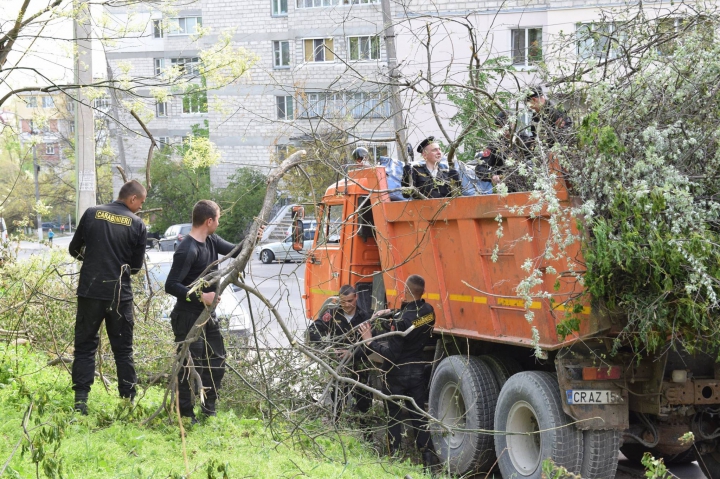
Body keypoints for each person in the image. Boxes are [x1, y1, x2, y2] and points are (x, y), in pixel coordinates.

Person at [165, 200, 259, 421]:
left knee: (217, 361)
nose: (219, 222)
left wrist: (255, 236)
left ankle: (209, 409)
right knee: (190, 366)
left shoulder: (212, 240)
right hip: (188, 318)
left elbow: (238, 251)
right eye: (218, 218)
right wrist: (200, 295)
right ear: (209, 221)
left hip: (209, 317)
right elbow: (171, 285)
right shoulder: (187, 249)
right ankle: (186, 415)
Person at [68, 180, 148, 414]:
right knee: (123, 350)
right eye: (140, 203)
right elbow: (134, 267)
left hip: (90, 292)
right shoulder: (137, 224)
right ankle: (128, 403)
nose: (140, 208)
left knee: (84, 348)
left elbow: (74, 249)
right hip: (119, 296)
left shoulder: (91, 213)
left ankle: (80, 404)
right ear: (132, 199)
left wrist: (94, 260)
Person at [358, 274, 436, 465]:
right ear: (422, 291)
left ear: (406, 291)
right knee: (418, 416)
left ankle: (394, 456)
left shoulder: (401, 321)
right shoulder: (429, 311)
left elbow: (391, 353)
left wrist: (369, 341)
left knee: (393, 416)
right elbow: (413, 321)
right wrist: (390, 313)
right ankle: (427, 458)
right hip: (417, 372)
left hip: (396, 373)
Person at [308, 285, 373, 416]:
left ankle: (366, 434)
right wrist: (327, 349)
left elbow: (371, 345)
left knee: (364, 404)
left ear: (356, 297)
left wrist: (352, 353)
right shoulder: (332, 314)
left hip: (359, 368)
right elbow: (313, 329)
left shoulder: (365, 316)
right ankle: (337, 429)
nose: (347, 305)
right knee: (337, 402)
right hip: (338, 366)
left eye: (350, 301)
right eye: (343, 302)